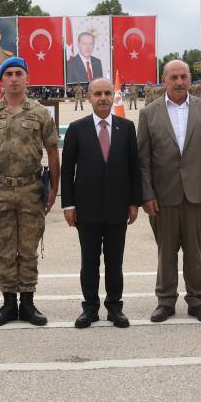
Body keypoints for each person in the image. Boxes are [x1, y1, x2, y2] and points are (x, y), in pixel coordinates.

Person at [137, 60, 201, 323]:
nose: (179, 82)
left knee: (194, 250)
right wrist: (147, 194)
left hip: (198, 193)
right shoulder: (149, 113)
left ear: (190, 79)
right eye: (173, 77)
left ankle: (197, 300)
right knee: (166, 251)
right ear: (164, 80)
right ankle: (165, 301)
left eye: (183, 76)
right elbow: (143, 159)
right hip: (163, 196)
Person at [0, 57, 60, 327]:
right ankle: (8, 303)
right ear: (0, 80)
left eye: (19, 73)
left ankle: (27, 302)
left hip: (31, 189)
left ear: (27, 79)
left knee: (28, 248)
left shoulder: (39, 112)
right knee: (4, 247)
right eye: (9, 74)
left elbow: (52, 150)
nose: (14, 78)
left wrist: (54, 188)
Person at [61, 78, 142, 328]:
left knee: (115, 261)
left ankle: (115, 307)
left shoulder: (126, 128)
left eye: (108, 93)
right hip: (87, 208)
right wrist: (69, 205)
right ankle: (90, 308)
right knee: (90, 261)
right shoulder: (77, 128)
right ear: (89, 97)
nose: (104, 98)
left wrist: (133, 202)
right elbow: (67, 170)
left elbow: (133, 168)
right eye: (98, 94)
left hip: (118, 208)